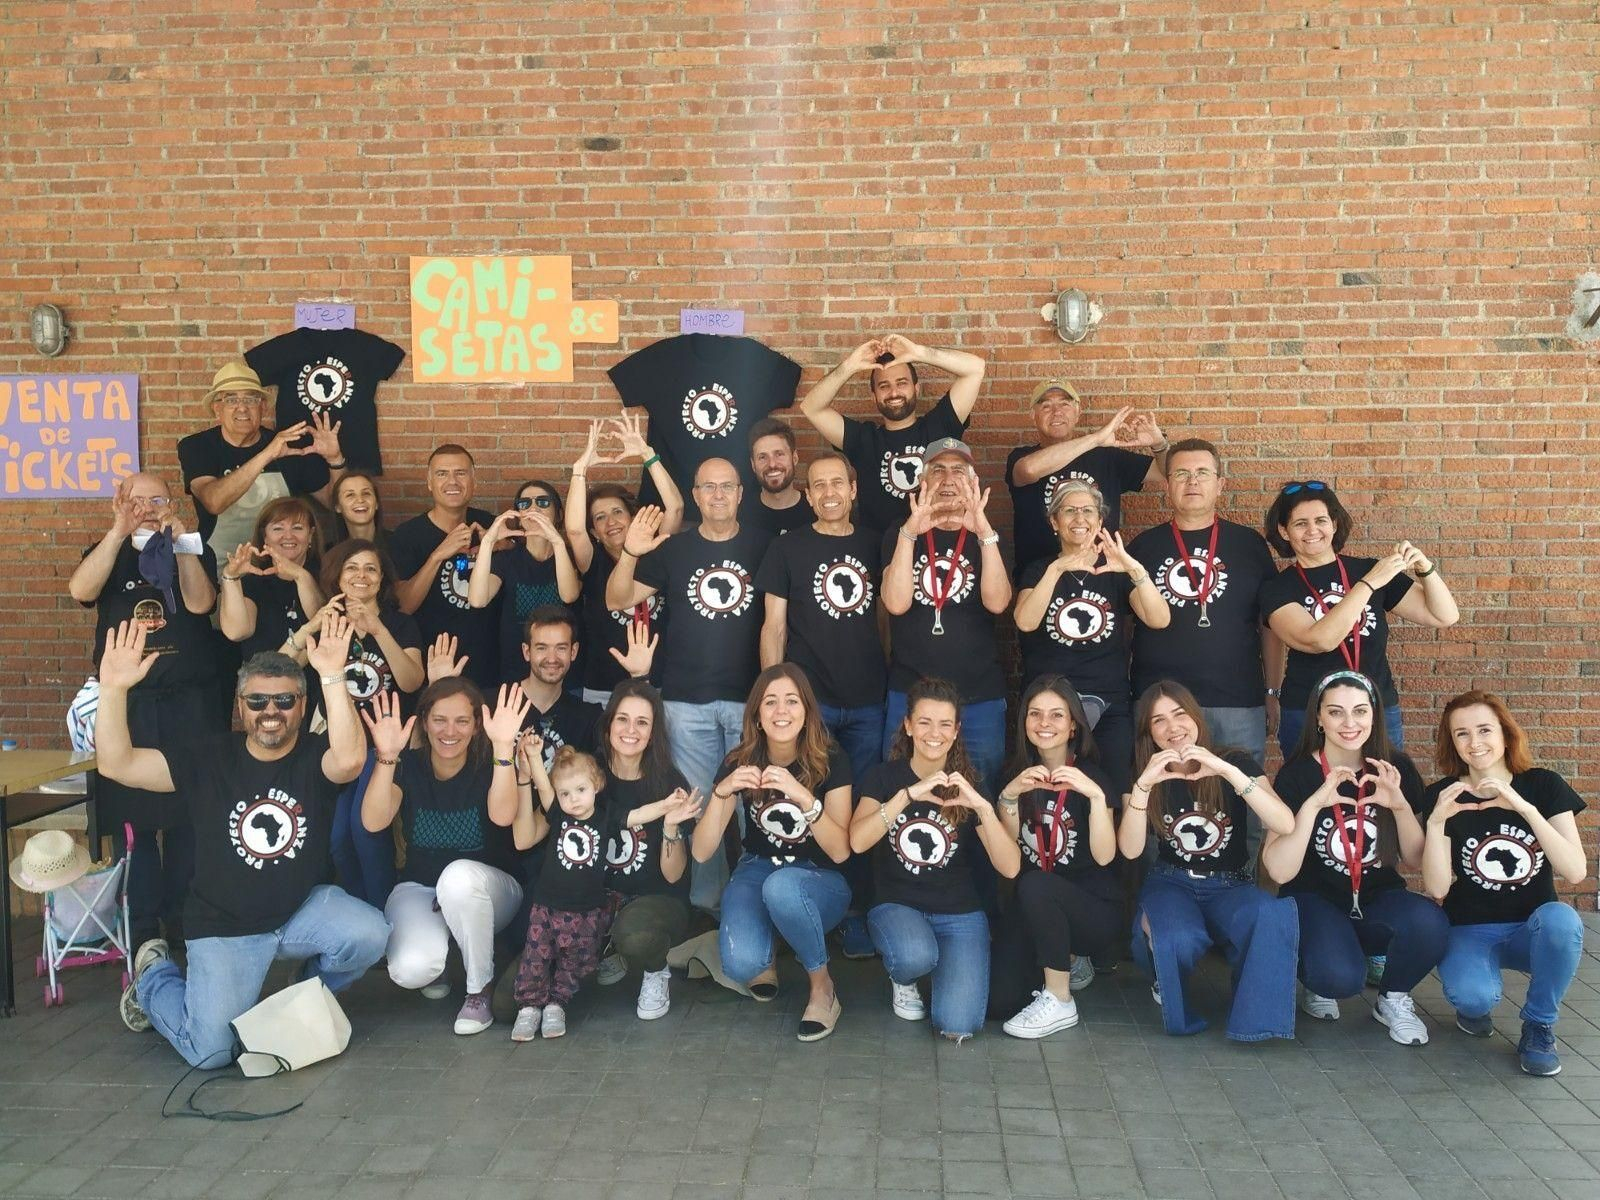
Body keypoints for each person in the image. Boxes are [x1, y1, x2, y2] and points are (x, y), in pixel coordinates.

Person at [99, 615, 390, 1069]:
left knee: (370, 933)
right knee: (211, 1052)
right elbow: (117, 764)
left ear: (301, 705)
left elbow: (351, 760)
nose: (270, 710)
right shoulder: (208, 758)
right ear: (240, 706)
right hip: (225, 927)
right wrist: (113, 689)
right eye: (257, 700)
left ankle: (305, 992)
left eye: (284, 700)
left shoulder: (315, 755)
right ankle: (153, 975)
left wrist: (333, 675)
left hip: (298, 912)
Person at [608, 458, 773, 910]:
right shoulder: (674, 549)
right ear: (696, 495)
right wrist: (630, 551)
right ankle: (707, 904)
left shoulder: (765, 545)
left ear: (741, 493)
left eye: (727, 486)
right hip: (685, 702)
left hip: (748, 701)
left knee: (754, 805)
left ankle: (756, 902)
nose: (718, 495)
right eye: (708, 487)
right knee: (699, 807)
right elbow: (617, 599)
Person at [67, 472, 222, 949]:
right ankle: (142, 931)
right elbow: (80, 590)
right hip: (129, 706)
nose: (148, 508)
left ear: (171, 503)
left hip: (189, 704)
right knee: (132, 820)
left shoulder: (191, 547)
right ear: (121, 503)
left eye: (157, 499)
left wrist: (180, 545)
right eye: (137, 500)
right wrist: (118, 531)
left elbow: (201, 603)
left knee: (190, 816)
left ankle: (184, 923)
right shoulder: (107, 550)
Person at [1261, 671, 1445, 1045]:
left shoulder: (1395, 769)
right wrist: (1312, 806)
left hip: (1376, 897)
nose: (1349, 723)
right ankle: (1318, 973)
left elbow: (1415, 859)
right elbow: (1278, 870)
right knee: (1339, 978)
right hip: (1314, 898)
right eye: (1336, 712)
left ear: (1374, 715)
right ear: (1319, 718)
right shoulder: (1298, 774)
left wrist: (1399, 805)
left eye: (1360, 711)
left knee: (1431, 922)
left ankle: (1392, 998)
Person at [755, 450, 886, 957]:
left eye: (838, 483)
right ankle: (803, 904)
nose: (829, 493)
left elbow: (885, 620)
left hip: (869, 701)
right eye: (819, 485)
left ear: (853, 490)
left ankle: (855, 912)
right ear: (808, 496)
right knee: (808, 803)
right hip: (810, 706)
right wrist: (772, 694)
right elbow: (774, 627)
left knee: (860, 809)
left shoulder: (875, 543)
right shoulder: (787, 548)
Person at [1118, 681, 1299, 1041]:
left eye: (1179, 714)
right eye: (1158, 721)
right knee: (1174, 935)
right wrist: (1143, 786)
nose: (1172, 727)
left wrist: (1227, 772)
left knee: (1270, 914)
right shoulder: (1143, 770)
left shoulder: (1233, 760)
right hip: (1172, 882)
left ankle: (1255, 1017)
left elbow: (1284, 822)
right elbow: (1131, 849)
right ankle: (1167, 983)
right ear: (1149, 733)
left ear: (1196, 718)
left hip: (1231, 884)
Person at [1421, 692, 1588, 1076]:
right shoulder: (1444, 795)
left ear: (1505, 734)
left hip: (1533, 928)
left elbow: (1575, 871)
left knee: (1563, 921)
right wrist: (1435, 822)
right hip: (1471, 928)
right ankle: (1473, 1008)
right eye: (1462, 733)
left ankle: (1539, 1024)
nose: (1474, 742)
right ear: (1452, 742)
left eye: (1484, 730)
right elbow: (1438, 888)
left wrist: (1525, 809)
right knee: (1474, 997)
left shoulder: (1543, 785)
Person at [851, 678, 1020, 1041]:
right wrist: (906, 796)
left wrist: (983, 808)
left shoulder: (969, 783)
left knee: (959, 1025)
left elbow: (1009, 867)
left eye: (945, 724)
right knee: (914, 955)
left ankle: (940, 974)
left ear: (957, 731)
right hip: (897, 906)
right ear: (908, 725)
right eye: (924, 722)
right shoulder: (884, 777)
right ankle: (905, 976)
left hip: (959, 913)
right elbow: (858, 841)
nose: (934, 733)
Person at [693, 666, 854, 1040]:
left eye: (792, 701)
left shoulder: (830, 757)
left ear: (807, 711)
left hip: (819, 878)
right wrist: (722, 792)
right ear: (757, 715)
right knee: (742, 965)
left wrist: (803, 797)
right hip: (757, 867)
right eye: (770, 702)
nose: (781, 711)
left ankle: (822, 986)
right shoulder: (741, 759)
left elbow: (840, 851)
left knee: (782, 888)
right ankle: (770, 944)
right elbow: (701, 851)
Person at [360, 682, 530, 1035]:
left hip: (490, 892)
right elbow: (373, 821)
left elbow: (503, 817)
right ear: (424, 722)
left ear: (476, 725)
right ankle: (441, 960)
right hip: (422, 888)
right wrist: (387, 756)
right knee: (410, 969)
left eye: (462, 721)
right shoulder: (408, 765)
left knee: (458, 879)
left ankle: (478, 989)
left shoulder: (489, 764)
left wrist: (503, 748)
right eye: (439, 720)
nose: (449, 731)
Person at [1260, 480, 1459, 752]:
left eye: (1321, 520)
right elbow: (1319, 640)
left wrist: (1425, 568)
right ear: (1284, 531)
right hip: (1309, 712)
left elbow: (1444, 616)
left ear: (1334, 524)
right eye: (1300, 523)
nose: (1312, 530)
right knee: (1311, 780)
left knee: (1383, 777)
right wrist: (1368, 585)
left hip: (1375, 707)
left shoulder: (1368, 569)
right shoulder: (1278, 588)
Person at [1126, 438, 1282, 768]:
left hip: (1236, 701)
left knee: (1243, 791)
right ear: (1167, 485)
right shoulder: (1142, 548)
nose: (1192, 481)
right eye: (1181, 474)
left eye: (1202, 473)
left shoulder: (1249, 545)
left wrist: (1272, 691)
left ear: (1220, 484)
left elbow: (1269, 624)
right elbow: (1125, 627)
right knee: (1164, 793)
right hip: (1160, 705)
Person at [288, 538, 426, 905]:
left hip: (385, 744)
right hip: (338, 743)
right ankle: (360, 908)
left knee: (366, 830)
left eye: (370, 569)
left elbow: (412, 681)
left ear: (382, 579)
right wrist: (312, 625)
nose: (361, 575)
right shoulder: (327, 625)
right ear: (337, 577)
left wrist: (379, 629)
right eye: (351, 568)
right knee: (337, 839)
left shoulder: (400, 623)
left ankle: (382, 910)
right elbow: (279, 670)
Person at [1013, 480, 1169, 795]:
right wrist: (1057, 569)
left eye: (1088, 511)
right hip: (1050, 705)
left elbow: (1159, 619)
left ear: (1099, 521)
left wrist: (1133, 569)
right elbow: (1025, 621)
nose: (1079, 518)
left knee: (1113, 792)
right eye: (1069, 511)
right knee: (1048, 793)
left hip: (1109, 702)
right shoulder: (1039, 569)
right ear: (1054, 521)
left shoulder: (1115, 571)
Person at [510, 747, 673, 1040]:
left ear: (596, 785)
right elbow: (544, 786)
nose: (573, 799)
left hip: (586, 911)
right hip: (547, 906)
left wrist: (666, 805)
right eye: (565, 793)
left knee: (574, 961)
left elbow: (638, 815)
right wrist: (534, 757)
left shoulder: (606, 815)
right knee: (536, 956)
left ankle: (557, 1005)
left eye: (581, 790)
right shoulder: (558, 814)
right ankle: (529, 1007)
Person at [991, 677, 1121, 1038]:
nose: (1044, 723)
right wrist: (1008, 796)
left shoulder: (1092, 777)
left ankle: (1060, 998)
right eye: (1035, 714)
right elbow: (1009, 857)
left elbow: (1105, 856)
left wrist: (1096, 798)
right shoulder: (1014, 775)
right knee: (997, 1003)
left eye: (1056, 715)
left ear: (1073, 726)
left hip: (1092, 912)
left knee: (1037, 884)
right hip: (1034, 909)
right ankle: (1063, 959)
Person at [881, 438, 1011, 797]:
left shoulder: (988, 535)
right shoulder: (899, 532)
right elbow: (895, 603)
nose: (948, 479)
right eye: (938, 470)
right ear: (923, 481)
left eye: (958, 471)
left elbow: (999, 603)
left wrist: (984, 533)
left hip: (978, 694)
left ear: (972, 482)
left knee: (980, 793)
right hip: (910, 691)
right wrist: (911, 532)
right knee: (901, 790)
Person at [798, 335, 987, 532]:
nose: (894, 392)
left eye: (902, 382)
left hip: (937, 545)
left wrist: (918, 352)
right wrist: (850, 365)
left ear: (916, 389)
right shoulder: (863, 439)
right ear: (874, 396)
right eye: (884, 386)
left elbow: (975, 369)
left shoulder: (939, 425)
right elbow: (811, 408)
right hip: (881, 548)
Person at [595, 680, 703, 1020]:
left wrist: (670, 827)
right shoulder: (590, 774)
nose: (631, 730)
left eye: (642, 722)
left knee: (636, 934)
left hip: (658, 901)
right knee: (510, 1001)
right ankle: (606, 947)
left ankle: (656, 970)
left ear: (653, 733)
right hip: (601, 899)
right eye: (622, 719)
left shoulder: (669, 782)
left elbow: (673, 877)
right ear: (608, 724)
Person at [564, 415, 684, 705]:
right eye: (600, 517)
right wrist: (580, 471)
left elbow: (676, 508)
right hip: (604, 688)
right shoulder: (592, 561)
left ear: (633, 517)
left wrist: (647, 455)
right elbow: (574, 530)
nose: (611, 522)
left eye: (618, 512)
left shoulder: (655, 551)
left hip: (659, 685)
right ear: (595, 532)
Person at [177, 360, 344, 558]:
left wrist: (335, 459)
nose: (242, 408)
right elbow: (214, 502)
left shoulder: (288, 445)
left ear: (263, 407)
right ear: (217, 409)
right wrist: (267, 454)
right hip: (219, 566)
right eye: (231, 400)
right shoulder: (198, 446)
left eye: (251, 399)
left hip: (280, 566)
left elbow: (336, 503)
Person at [1005, 380, 1170, 572]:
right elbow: (1029, 470)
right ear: (1033, 416)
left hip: (1101, 574)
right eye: (1046, 406)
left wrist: (1159, 444)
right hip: (1039, 576)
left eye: (1065, 404)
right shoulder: (1022, 457)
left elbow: (1166, 472)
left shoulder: (1106, 456)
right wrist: (1096, 439)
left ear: (1078, 413)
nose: (1057, 412)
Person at [389, 444, 500, 692]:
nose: (452, 481)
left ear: (473, 481)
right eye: (442, 474)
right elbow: (403, 605)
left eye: (461, 473)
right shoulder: (407, 535)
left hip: (488, 666)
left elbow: (521, 551)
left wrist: (500, 544)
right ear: (429, 482)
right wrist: (438, 555)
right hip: (433, 666)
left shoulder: (489, 525)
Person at [468, 480, 581, 686]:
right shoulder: (506, 559)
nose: (533, 508)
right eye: (524, 503)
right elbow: (477, 600)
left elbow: (569, 595)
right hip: (515, 675)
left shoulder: (570, 556)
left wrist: (557, 541)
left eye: (543, 502)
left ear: (559, 514)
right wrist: (488, 543)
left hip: (563, 675)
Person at [218, 496, 326, 661]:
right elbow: (237, 632)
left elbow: (321, 621)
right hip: (262, 675)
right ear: (265, 537)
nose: (288, 536)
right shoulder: (254, 582)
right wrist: (231, 576)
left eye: (297, 528)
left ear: (311, 535)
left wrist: (300, 574)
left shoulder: (328, 574)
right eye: (278, 529)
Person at [746, 416, 813, 535]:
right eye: (762, 457)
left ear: (794, 458)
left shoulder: (815, 510)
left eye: (779, 454)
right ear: (753, 465)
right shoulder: (741, 514)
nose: (772, 464)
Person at [331, 471, 388, 551]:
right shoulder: (331, 552)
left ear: (376, 503)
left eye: (366, 493)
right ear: (338, 507)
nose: (360, 500)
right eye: (350, 495)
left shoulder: (398, 545)